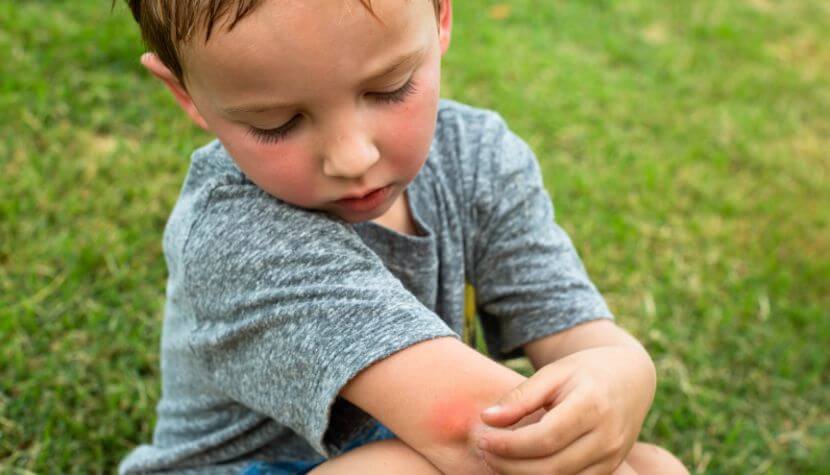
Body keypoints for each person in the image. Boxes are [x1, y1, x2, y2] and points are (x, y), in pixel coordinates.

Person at [118, 0, 688, 473]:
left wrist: (623, 374)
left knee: (654, 464)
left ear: (440, 14)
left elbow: (583, 338)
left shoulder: (478, 160)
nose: (352, 157)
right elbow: (473, 435)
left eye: (389, 88)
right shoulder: (237, 237)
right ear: (187, 93)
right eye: (276, 123)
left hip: (408, 449)